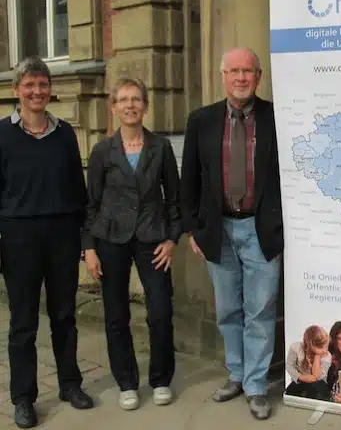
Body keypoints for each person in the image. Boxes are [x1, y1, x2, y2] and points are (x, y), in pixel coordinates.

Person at [180, 47, 283, 420]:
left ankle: (256, 385)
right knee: (228, 310)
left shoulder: (277, 117)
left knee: (260, 310)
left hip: (261, 229)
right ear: (223, 75)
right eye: (234, 71)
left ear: (259, 76)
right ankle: (236, 374)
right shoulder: (201, 120)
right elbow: (188, 180)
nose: (241, 78)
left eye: (248, 71)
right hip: (218, 230)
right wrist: (193, 227)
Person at [0, 56, 94, 428]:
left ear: (49, 90)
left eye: (42, 84)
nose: (37, 91)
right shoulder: (2, 134)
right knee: (23, 322)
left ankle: (70, 384)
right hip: (19, 237)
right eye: (29, 85)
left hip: (61, 237)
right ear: (16, 91)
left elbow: (78, 192)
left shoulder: (65, 134)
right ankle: (23, 398)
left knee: (64, 316)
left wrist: (84, 240)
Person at [82, 77, 181, 411]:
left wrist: (171, 238)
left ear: (145, 105)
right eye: (123, 100)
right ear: (113, 107)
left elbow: (174, 200)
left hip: (152, 238)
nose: (129, 105)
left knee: (160, 311)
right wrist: (90, 248)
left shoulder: (161, 148)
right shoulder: (102, 151)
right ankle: (126, 381)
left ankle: (161, 379)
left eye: (136, 99)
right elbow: (90, 204)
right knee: (116, 314)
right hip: (111, 239)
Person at [285, 325, 331, 401]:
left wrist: (317, 356)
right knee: (290, 392)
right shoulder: (296, 347)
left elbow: (317, 376)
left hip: (319, 382)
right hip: (301, 379)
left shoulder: (327, 356)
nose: (324, 350)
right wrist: (301, 377)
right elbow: (289, 365)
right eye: (321, 347)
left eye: (326, 346)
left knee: (316, 390)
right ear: (310, 345)